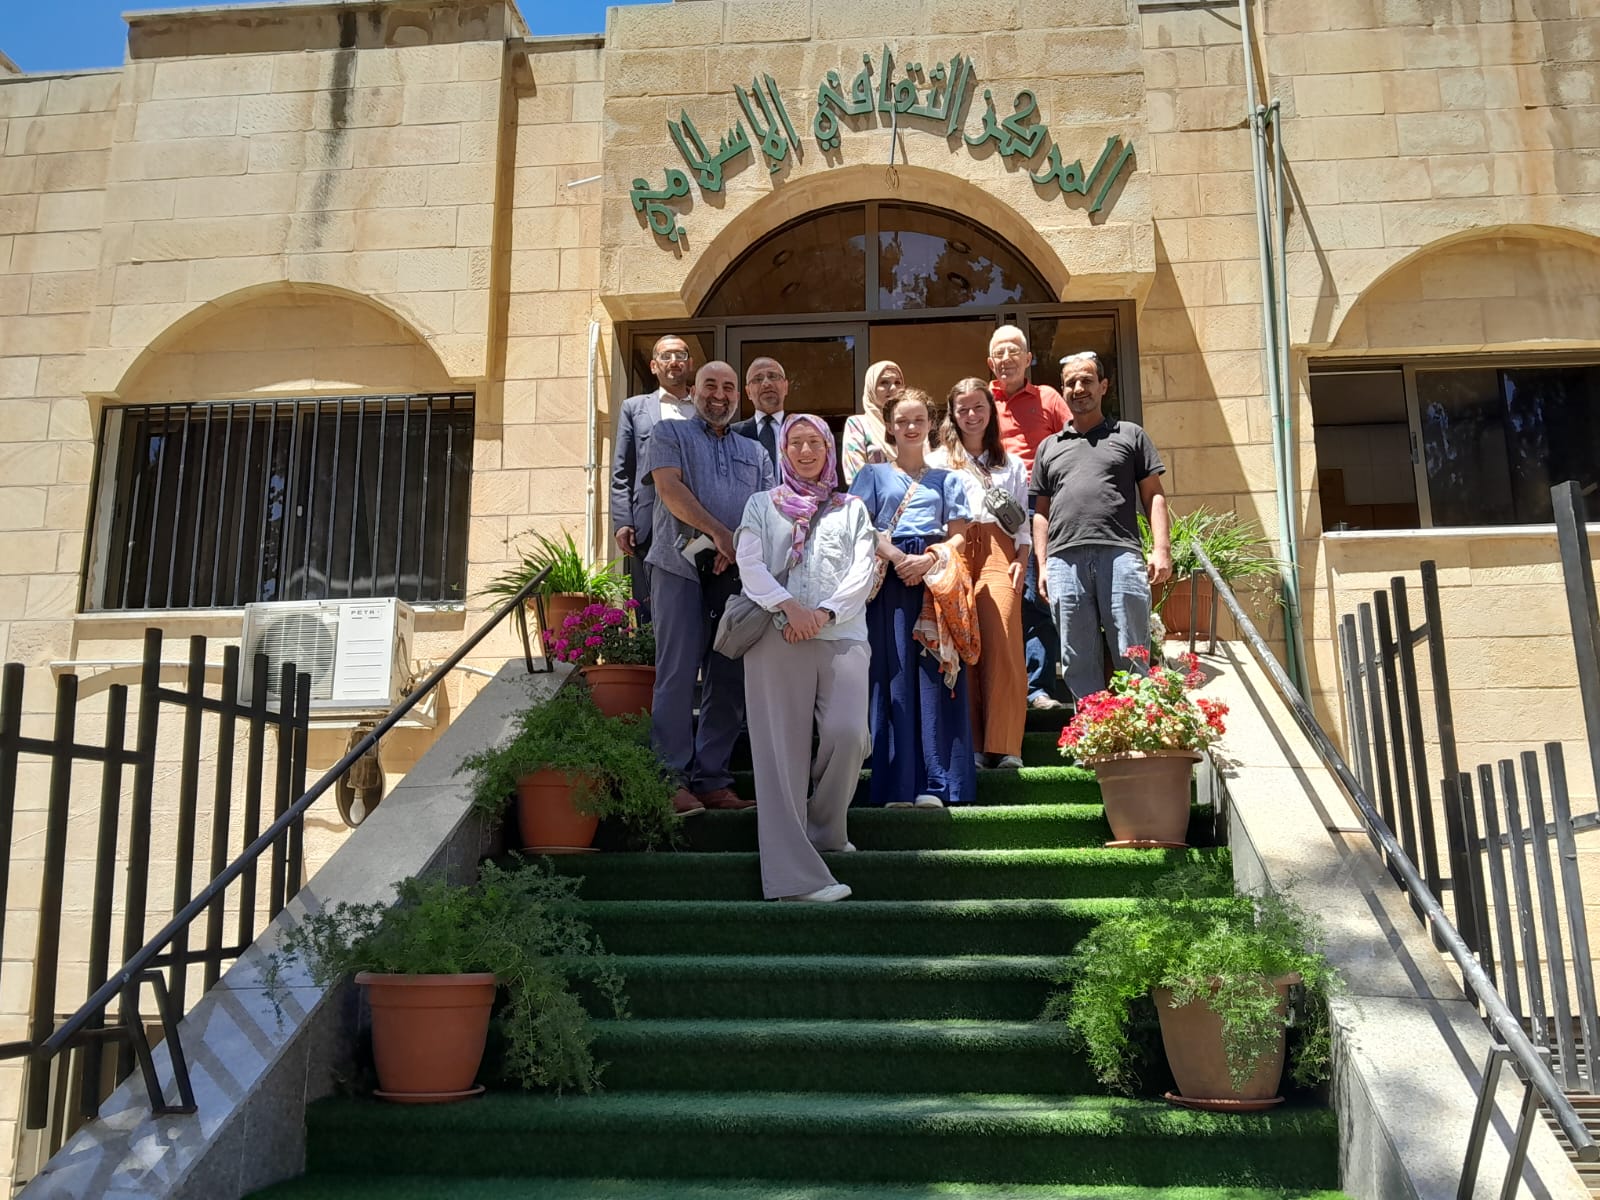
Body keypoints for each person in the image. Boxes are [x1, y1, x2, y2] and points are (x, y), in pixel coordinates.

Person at [735, 414, 877, 903]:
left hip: (842, 633)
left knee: (849, 734)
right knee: (780, 758)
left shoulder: (851, 507)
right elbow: (749, 564)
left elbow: (862, 569)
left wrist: (823, 612)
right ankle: (794, 880)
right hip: (777, 635)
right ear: (783, 450)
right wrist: (790, 607)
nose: (805, 450)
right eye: (794, 442)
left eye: (814, 441)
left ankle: (824, 829)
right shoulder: (761, 504)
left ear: (828, 449)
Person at [643, 361, 776, 816]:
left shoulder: (756, 452)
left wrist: (737, 545)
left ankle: (713, 780)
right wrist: (720, 533)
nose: (719, 395)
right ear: (693, 391)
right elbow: (669, 490)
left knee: (728, 676)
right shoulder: (668, 433)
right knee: (678, 673)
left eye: (728, 387)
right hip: (677, 567)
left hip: (736, 574)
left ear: (739, 395)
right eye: (710, 386)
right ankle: (669, 780)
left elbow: (767, 509)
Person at [849, 388, 976, 809]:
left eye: (918, 419)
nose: (910, 427)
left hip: (934, 580)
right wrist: (898, 557)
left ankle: (937, 784)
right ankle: (895, 786)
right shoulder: (872, 474)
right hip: (888, 578)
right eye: (902, 420)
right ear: (889, 425)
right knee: (892, 676)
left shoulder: (949, 479)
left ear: (931, 423)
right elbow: (859, 526)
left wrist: (928, 559)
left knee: (933, 674)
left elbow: (959, 535)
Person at [1032, 351, 1172, 704]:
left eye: (1087, 380)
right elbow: (1041, 513)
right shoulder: (1048, 447)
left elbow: (1154, 494)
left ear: (1104, 386)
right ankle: (1091, 729)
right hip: (1064, 560)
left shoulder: (1130, 435)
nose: (1079, 388)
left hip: (1120, 553)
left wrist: (1161, 550)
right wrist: (1043, 565)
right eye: (1071, 383)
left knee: (1131, 648)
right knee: (1077, 655)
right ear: (1063, 390)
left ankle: (1138, 725)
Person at [933, 378, 1030, 770]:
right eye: (963, 409)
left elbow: (1022, 521)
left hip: (999, 548)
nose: (971, 415)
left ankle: (1005, 744)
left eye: (979, 407)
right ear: (952, 415)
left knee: (1004, 635)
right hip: (954, 544)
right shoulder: (937, 461)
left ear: (991, 412)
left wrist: (1022, 556)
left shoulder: (1011, 464)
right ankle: (972, 744)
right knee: (963, 640)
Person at [987, 325, 1072, 711]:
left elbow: (1072, 445)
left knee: (1036, 596)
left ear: (1028, 359)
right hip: (990, 512)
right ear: (990, 362)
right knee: (997, 598)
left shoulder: (1048, 398)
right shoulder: (982, 400)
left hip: (1040, 506)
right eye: (999, 353)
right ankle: (1000, 688)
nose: (1006, 359)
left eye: (1013, 351)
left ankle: (1037, 689)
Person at [611, 335, 697, 619]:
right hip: (648, 524)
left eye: (680, 356)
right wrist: (623, 521)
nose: (673, 362)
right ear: (653, 366)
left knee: (698, 606)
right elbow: (623, 469)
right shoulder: (634, 408)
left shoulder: (704, 407)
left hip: (700, 518)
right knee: (651, 610)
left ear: (690, 363)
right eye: (665, 356)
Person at [840, 360, 905, 485]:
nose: (893, 388)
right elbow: (856, 475)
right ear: (871, 388)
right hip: (873, 495)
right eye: (884, 382)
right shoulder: (858, 424)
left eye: (898, 382)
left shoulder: (912, 424)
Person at [731, 356, 788, 470]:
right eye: (758, 379)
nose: (766, 383)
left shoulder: (805, 429)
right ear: (748, 392)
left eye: (773, 376)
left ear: (785, 386)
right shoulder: (732, 435)